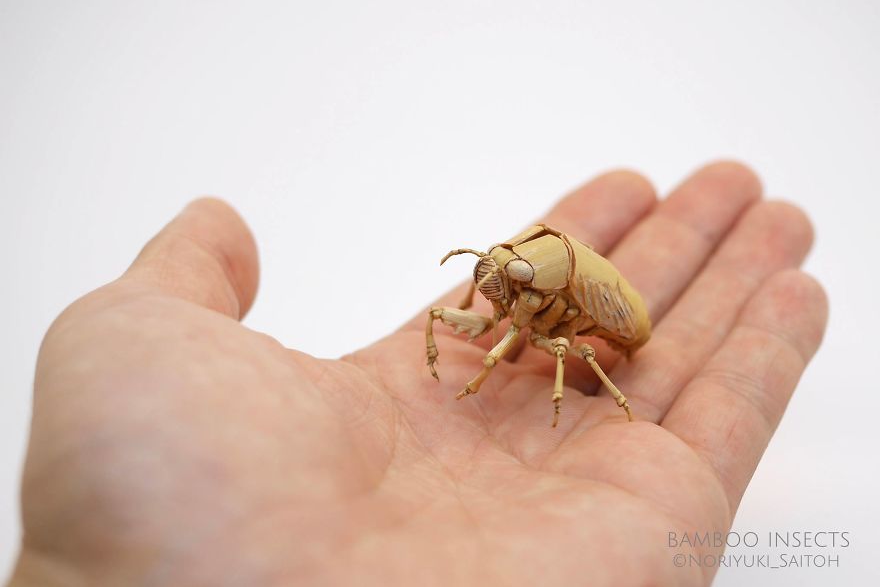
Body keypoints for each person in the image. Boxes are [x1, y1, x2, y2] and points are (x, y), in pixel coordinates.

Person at [7, 162, 827, 586]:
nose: (496, 287)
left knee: (560, 358)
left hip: (608, 325)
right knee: (506, 333)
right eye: (492, 275)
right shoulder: (513, 283)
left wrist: (554, 381)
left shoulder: (564, 299)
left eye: (506, 277)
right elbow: (506, 316)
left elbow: (553, 343)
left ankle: (595, 392)